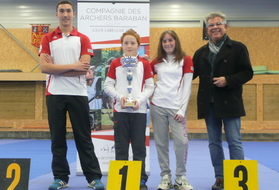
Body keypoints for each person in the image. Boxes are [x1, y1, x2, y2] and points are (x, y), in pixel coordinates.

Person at [39, 0, 104, 189]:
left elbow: (83, 69)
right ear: (56, 14)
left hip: (77, 94)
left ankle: (93, 177)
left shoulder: (83, 38)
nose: (65, 14)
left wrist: (56, 69)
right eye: (61, 11)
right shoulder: (47, 38)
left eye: (68, 10)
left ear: (73, 14)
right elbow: (44, 67)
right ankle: (60, 178)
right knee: (57, 138)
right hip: (54, 93)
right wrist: (72, 66)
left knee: (83, 137)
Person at [192, 11, 253, 190]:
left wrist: (228, 80)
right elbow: (189, 73)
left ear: (225, 27)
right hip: (208, 104)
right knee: (214, 143)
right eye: (211, 25)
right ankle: (220, 178)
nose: (215, 27)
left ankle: (237, 178)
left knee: (234, 141)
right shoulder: (200, 52)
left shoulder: (238, 47)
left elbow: (247, 73)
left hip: (230, 102)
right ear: (206, 29)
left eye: (218, 24)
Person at [103, 29, 154, 190]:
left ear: (138, 45)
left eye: (133, 43)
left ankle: (141, 179)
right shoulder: (115, 63)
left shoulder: (144, 63)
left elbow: (150, 87)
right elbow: (107, 85)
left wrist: (139, 100)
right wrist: (120, 98)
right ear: (122, 45)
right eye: (126, 43)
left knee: (139, 146)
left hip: (138, 112)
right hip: (120, 111)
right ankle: (122, 178)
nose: (129, 46)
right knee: (121, 146)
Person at [149, 30, 194, 190]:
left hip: (177, 109)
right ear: (161, 44)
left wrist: (182, 109)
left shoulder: (186, 60)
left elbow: (187, 85)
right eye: (164, 41)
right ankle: (165, 176)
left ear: (176, 41)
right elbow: (144, 77)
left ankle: (181, 177)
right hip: (157, 106)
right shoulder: (156, 61)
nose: (167, 44)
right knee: (161, 143)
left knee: (182, 143)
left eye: (170, 40)